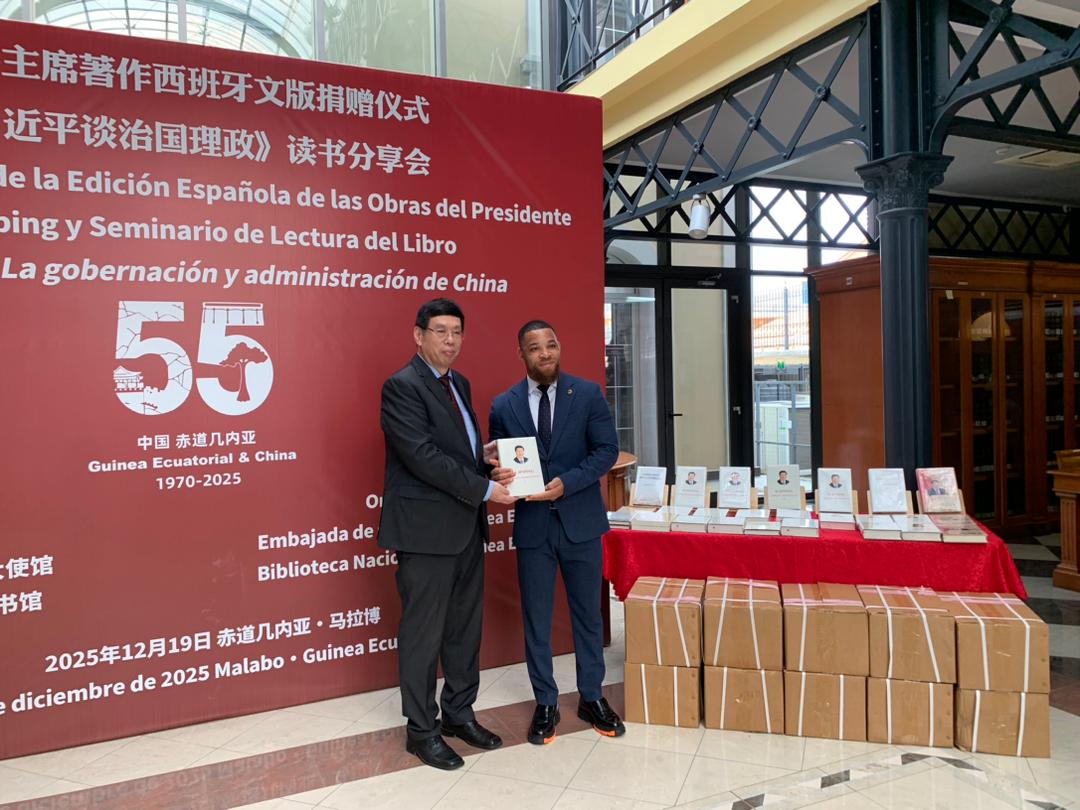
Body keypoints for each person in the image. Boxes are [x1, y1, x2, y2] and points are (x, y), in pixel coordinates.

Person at [378, 298, 516, 771]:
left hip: (465, 529)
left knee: (463, 631)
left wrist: (485, 461)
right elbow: (421, 457)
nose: (450, 340)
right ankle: (422, 731)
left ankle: (459, 714)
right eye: (440, 331)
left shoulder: (460, 383)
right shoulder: (402, 386)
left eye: (457, 332)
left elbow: (453, 452)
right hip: (425, 533)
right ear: (418, 335)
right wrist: (486, 490)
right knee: (423, 635)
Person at [489, 320, 623, 745]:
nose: (545, 353)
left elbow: (606, 451)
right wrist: (495, 469)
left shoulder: (586, 394)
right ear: (521, 354)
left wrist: (568, 482)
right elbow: (498, 462)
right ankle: (545, 702)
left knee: (588, 616)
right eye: (535, 348)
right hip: (534, 528)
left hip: (581, 522)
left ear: (558, 347)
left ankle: (591, 697)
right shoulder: (503, 405)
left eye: (550, 345)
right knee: (537, 619)